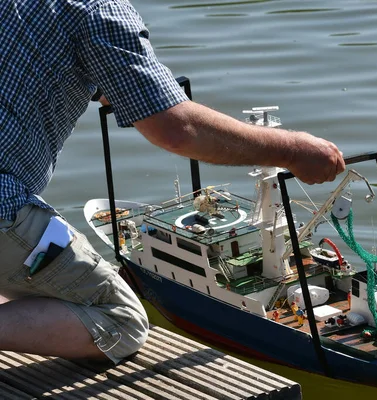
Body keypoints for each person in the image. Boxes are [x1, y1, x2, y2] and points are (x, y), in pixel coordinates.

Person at [0, 0, 345, 365]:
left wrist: (113, 80)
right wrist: (292, 151)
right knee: (122, 321)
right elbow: (179, 129)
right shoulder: (95, 10)